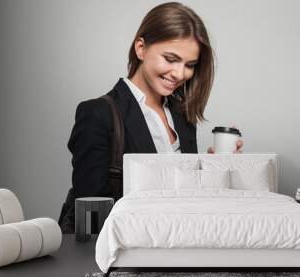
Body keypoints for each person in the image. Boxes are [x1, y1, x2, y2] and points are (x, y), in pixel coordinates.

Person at [59, 2, 243, 233]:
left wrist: (212, 171)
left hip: (176, 247)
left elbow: (184, 199)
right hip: (124, 257)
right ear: (141, 48)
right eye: (170, 59)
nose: (179, 74)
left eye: (190, 65)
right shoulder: (97, 114)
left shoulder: (183, 117)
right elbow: (90, 217)